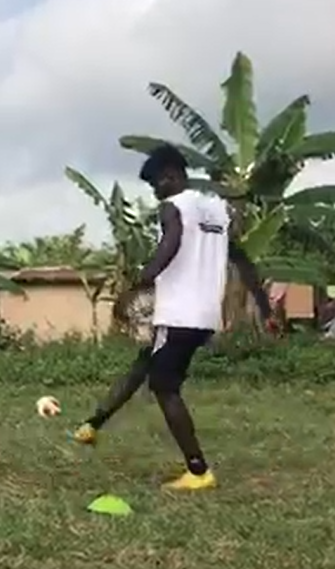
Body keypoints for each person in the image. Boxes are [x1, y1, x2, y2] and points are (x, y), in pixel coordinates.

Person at [70, 144, 270, 491]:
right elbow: (241, 260)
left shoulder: (173, 206)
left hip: (180, 312)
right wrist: (265, 307)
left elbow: (171, 243)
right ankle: (92, 424)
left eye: (155, 184)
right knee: (144, 364)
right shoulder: (217, 211)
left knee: (164, 386)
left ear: (171, 176)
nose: (155, 192)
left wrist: (143, 279)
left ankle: (198, 470)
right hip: (205, 315)